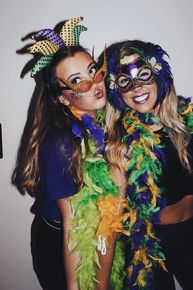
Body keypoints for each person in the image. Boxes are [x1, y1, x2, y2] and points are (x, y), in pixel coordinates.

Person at [102, 40, 193, 290]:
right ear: (116, 91)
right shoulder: (122, 143)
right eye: (125, 82)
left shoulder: (191, 124)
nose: (136, 87)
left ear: (159, 74)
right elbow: (113, 215)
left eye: (144, 75)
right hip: (151, 244)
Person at [12, 17, 125, 290]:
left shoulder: (106, 121)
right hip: (66, 243)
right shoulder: (63, 144)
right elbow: (74, 225)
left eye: (93, 71)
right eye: (77, 81)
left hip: (100, 239)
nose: (93, 83)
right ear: (63, 97)